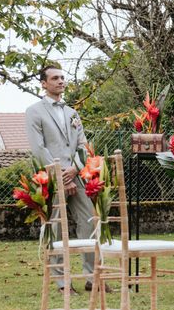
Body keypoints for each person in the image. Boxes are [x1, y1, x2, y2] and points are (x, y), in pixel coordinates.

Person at [25, 66, 110, 294]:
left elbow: (82, 144)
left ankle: (93, 278)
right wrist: (60, 174)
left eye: (63, 77)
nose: (60, 81)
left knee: (90, 222)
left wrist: (74, 169)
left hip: (76, 175)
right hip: (51, 178)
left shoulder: (73, 112)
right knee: (55, 227)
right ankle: (62, 282)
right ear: (43, 83)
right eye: (55, 78)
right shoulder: (34, 111)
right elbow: (38, 148)